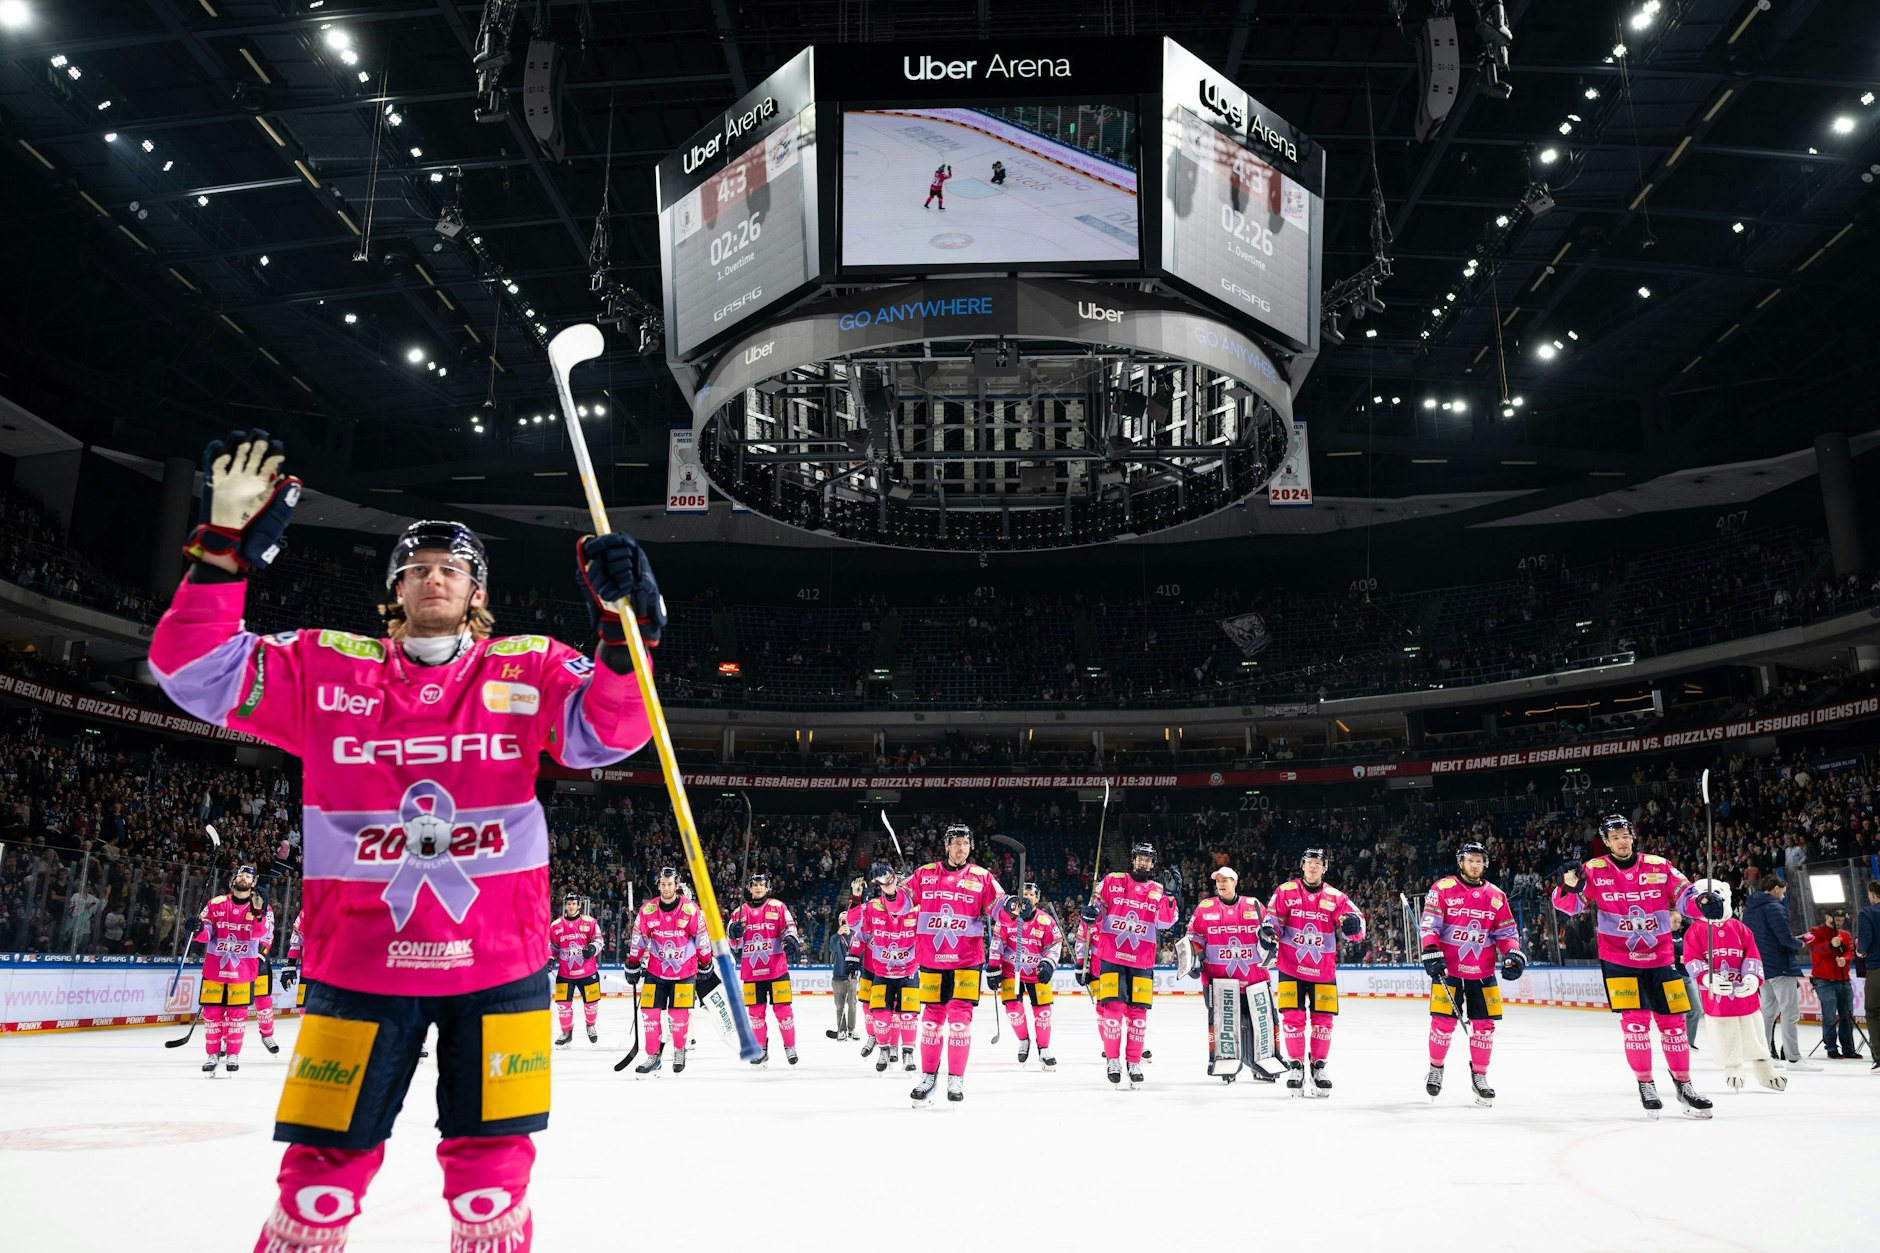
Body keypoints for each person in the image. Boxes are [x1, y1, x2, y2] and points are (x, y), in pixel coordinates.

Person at [149, 431, 659, 1253]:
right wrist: (219, 559)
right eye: (418, 566)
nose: (434, 576)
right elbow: (192, 668)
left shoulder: (528, 668)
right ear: (395, 587)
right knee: (318, 1183)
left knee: (493, 1188)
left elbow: (610, 733)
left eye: (452, 568)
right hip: (358, 964)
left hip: (502, 966)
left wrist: (622, 636)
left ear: (477, 591)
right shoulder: (323, 667)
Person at [1553, 814, 1724, 1118]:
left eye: (1625, 835)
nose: (1621, 841)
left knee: (1674, 1026)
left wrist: (1702, 904)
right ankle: (1646, 1084)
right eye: (1614, 837)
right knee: (1635, 1024)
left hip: (1661, 957)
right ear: (1605, 842)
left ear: (1633, 837)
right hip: (1618, 961)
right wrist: (1566, 886)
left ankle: (1685, 1086)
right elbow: (1572, 905)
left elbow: (1685, 895)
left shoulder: (1658, 865)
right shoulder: (1594, 870)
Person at [892, 823, 1005, 1105]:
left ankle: (956, 1079)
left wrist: (1015, 907)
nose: (960, 848)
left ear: (971, 847)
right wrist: (891, 890)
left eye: (965, 843)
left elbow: (1000, 908)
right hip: (931, 959)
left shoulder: (981, 876)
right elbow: (898, 906)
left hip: (967, 961)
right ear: (946, 846)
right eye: (955, 842)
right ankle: (928, 1077)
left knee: (958, 1024)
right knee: (931, 1022)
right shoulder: (924, 873)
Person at [1418, 841, 1524, 1106]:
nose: (1475, 865)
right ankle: (1436, 1068)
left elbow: (1506, 933)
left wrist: (1512, 953)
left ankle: (1480, 1077)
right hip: (1448, 971)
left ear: (1485, 864)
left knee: (1484, 1029)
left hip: (1483, 972)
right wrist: (1431, 950)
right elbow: (1430, 923)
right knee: (1442, 1026)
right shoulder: (1442, 888)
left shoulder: (1496, 895)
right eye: (1470, 860)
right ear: (1460, 862)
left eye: (1479, 860)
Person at [1262, 847, 1365, 1096]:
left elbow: (1357, 924)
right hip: (1290, 967)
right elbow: (1271, 919)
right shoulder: (1285, 891)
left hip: (1323, 971)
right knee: (1293, 1020)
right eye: (1309, 862)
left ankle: (1319, 1067)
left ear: (1325, 868)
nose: (1313, 866)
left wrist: (1354, 926)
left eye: (1318, 863)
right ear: (1302, 865)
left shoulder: (1335, 896)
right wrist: (1267, 932)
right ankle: (1296, 1066)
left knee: (1323, 1023)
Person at [1083, 840, 1181, 1088]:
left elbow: (1166, 923)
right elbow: (1093, 914)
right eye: (1140, 858)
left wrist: (1170, 898)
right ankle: (1113, 1060)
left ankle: (1134, 1062)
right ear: (1133, 859)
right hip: (1111, 957)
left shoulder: (1159, 889)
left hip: (1142, 962)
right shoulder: (1113, 880)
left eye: (1148, 859)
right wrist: (1089, 915)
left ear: (1153, 863)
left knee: (1138, 1017)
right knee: (1113, 1014)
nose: (1143, 862)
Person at [1682, 879, 1785, 1092]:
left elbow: (1752, 954)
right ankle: (1733, 1066)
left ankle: (1764, 1068)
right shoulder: (1695, 931)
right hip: (1717, 995)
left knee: (1753, 1027)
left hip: (1742, 990)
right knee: (1724, 1029)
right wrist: (1708, 979)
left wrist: (1752, 978)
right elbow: (1692, 960)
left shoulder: (1739, 927)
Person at [1183, 866, 1278, 1084]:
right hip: (1219, 982)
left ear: (1235, 882)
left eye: (1226, 880)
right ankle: (1227, 1063)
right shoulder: (1204, 908)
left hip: (1255, 979)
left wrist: (1269, 941)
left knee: (1259, 1025)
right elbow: (1193, 938)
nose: (1221, 883)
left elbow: (1269, 933)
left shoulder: (1253, 905)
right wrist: (1193, 959)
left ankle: (1260, 1064)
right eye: (1218, 881)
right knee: (1226, 1026)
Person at [626, 868, 709, 1077]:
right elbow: (638, 938)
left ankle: (679, 1050)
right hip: (655, 970)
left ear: (676, 885)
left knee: (678, 1015)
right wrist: (633, 963)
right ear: (658, 885)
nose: (666, 888)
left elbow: (702, 938)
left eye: (670, 884)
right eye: (662, 884)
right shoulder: (647, 910)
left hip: (685, 971)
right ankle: (653, 1057)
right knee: (650, 1014)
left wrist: (706, 962)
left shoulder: (691, 910)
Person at [191, 862, 269, 1075]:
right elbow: (206, 933)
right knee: (212, 1015)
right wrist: (197, 929)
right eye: (241, 875)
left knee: (237, 1016)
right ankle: (212, 1055)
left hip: (243, 971)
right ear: (234, 879)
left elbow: (259, 934)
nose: (244, 878)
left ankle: (233, 1054)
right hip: (214, 969)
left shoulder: (260, 906)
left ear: (254, 883)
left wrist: (259, 912)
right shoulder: (216, 903)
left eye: (249, 877)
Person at [1741, 875, 1817, 1071]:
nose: (1783, 896)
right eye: (1782, 891)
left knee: (1768, 1013)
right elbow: (1784, 938)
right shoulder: (1774, 907)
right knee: (1790, 1013)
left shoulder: (1749, 911)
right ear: (1775, 888)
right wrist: (1801, 942)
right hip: (1781, 967)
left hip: (1761, 967)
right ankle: (1793, 1059)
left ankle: (1764, 1055)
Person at [728, 871, 803, 1066]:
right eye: (755, 885)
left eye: (762, 884)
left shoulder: (778, 907)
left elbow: (789, 927)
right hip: (751, 972)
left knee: (783, 1011)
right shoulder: (739, 912)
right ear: (749, 888)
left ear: (768, 887)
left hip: (777, 969)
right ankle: (760, 1049)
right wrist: (734, 934)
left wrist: (791, 939)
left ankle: (790, 1046)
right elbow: (734, 945)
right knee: (755, 1013)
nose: (758, 887)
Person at [851, 862, 919, 1072]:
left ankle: (907, 1053)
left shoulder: (917, 909)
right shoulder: (873, 906)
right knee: (880, 1013)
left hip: (909, 972)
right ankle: (883, 1050)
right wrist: (855, 898)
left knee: (907, 1015)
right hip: (881, 972)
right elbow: (855, 925)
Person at [994, 881, 1062, 1069]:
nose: (1027, 897)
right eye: (1024, 893)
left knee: (1043, 1014)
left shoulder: (1046, 921)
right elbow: (997, 942)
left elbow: (1055, 945)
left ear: (1037, 899)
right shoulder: (1007, 917)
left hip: (1036, 973)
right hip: (1011, 972)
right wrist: (993, 967)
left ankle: (1044, 1049)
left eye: (1031, 894)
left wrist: (1048, 964)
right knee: (1014, 1011)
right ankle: (1023, 1040)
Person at [548, 890, 603, 1046]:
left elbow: (598, 940)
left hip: (588, 972)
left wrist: (593, 948)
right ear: (566, 905)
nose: (571, 906)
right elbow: (552, 946)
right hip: (565, 973)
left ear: (579, 905)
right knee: (562, 1006)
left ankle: (591, 1026)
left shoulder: (590, 922)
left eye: (574, 904)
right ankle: (566, 1032)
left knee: (591, 1004)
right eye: (569, 904)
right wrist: (550, 959)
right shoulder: (556, 925)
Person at [1805, 907, 1859, 1059]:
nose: (1840, 923)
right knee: (1829, 1015)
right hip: (1824, 980)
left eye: (1842, 920)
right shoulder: (1815, 931)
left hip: (1843, 979)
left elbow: (1850, 951)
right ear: (1828, 917)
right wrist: (1830, 945)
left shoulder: (1845, 934)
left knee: (1847, 1015)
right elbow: (1814, 949)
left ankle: (1849, 1048)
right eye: (1837, 920)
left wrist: (1845, 959)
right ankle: (1831, 1048)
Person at [824, 875, 865, 1043]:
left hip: (852, 976)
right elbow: (832, 949)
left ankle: (851, 1030)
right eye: (842, 920)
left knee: (853, 1005)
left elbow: (861, 954)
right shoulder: (836, 938)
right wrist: (837, 935)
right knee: (840, 1006)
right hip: (838, 977)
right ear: (839, 921)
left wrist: (860, 972)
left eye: (847, 919)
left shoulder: (856, 936)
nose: (845, 922)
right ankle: (841, 1031)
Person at [251, 891, 283, 1056]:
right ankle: (225, 1041)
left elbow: (268, 934)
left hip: (258, 959)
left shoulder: (265, 907)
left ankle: (267, 1036)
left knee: (263, 1000)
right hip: (235, 959)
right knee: (231, 1004)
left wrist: (260, 954)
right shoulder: (229, 903)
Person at [1859, 882, 1880, 1071]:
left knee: (1873, 1012)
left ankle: (1879, 1056)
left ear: (1872, 894)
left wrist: (1860, 951)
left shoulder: (1868, 913)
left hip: (1877, 968)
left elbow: (1865, 941)